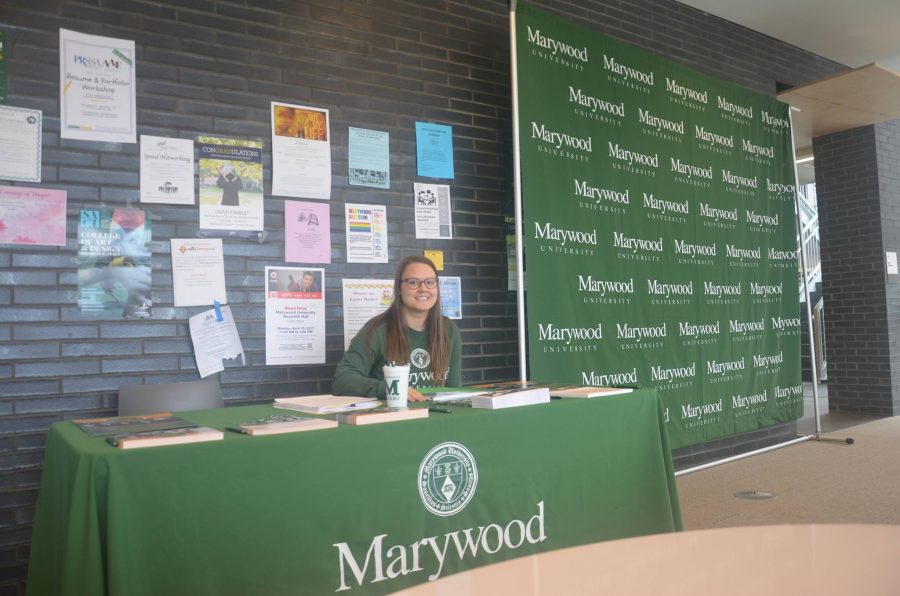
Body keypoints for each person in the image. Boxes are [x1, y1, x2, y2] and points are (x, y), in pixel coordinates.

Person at [332, 256, 461, 401]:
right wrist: (392, 389)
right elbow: (342, 380)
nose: (423, 288)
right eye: (413, 282)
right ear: (399, 288)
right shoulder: (376, 330)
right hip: (393, 419)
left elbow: (453, 390)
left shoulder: (448, 329)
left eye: (430, 282)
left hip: (438, 418)